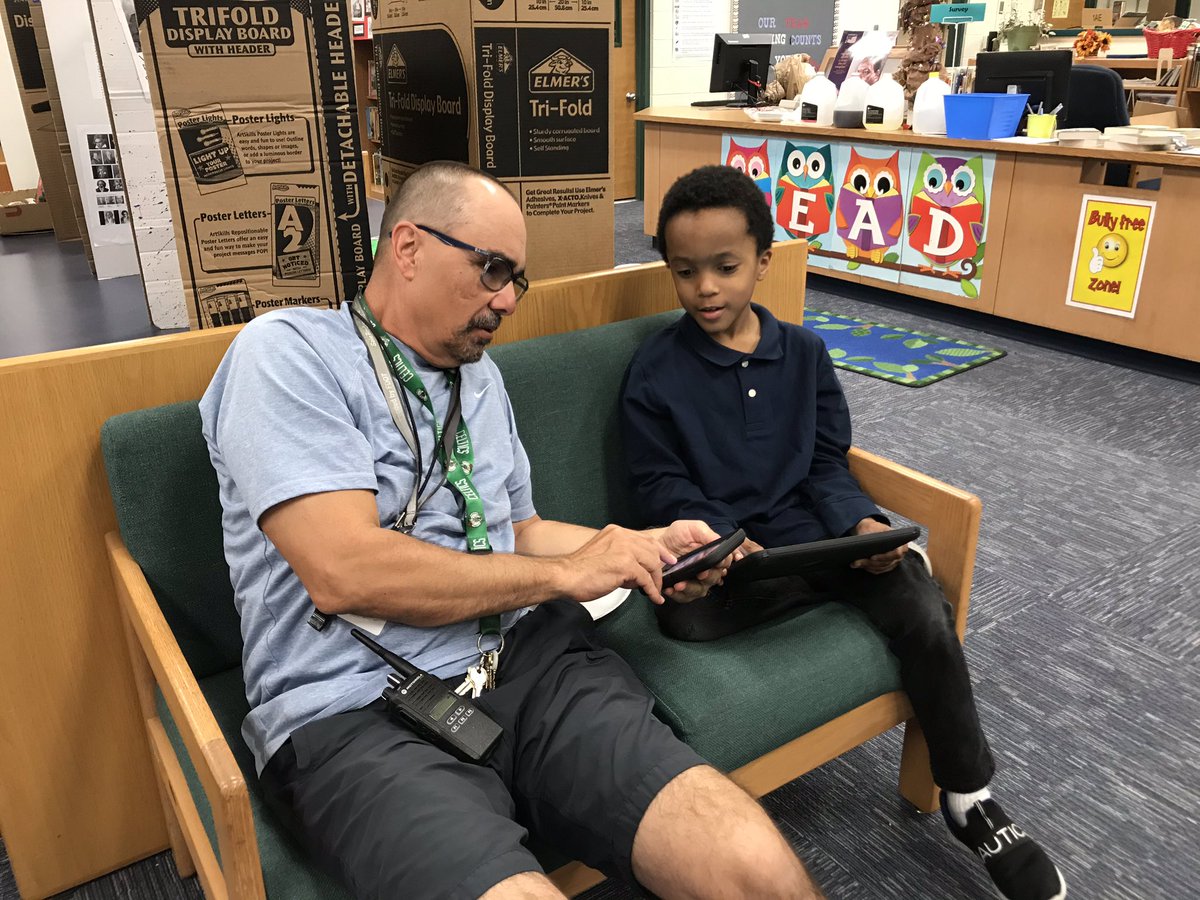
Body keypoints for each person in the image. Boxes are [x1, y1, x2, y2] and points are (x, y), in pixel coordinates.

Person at [199, 160, 823, 900]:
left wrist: (638, 548)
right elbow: (345, 569)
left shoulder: (481, 377)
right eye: (492, 269)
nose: (507, 301)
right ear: (407, 247)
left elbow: (519, 531)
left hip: (525, 662)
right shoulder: (289, 354)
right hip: (354, 706)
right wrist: (567, 575)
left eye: (516, 280)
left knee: (757, 870)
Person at [619, 165, 1066, 900]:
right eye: (685, 271)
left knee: (917, 591)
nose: (706, 289)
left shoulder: (806, 354)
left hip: (811, 535)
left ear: (764, 261)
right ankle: (824, 590)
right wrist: (725, 541)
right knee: (688, 618)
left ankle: (968, 797)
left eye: (726, 268)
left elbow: (828, 462)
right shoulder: (655, 372)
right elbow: (662, 487)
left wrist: (861, 524)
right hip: (728, 561)